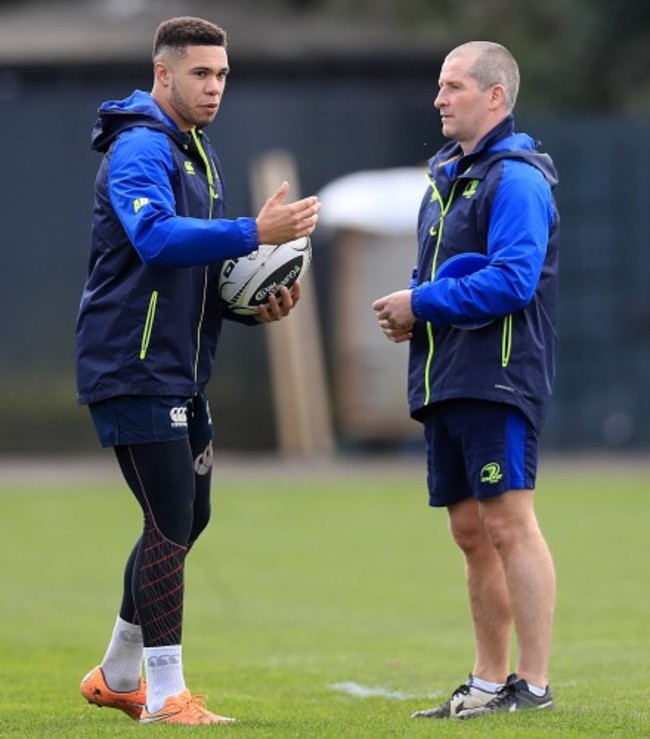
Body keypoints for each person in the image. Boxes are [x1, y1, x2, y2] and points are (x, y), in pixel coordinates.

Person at [76, 16, 320, 725]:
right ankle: (164, 694)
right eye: (200, 75)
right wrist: (255, 231)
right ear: (163, 75)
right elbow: (153, 238)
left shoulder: (196, 152)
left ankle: (118, 673)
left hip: (179, 370)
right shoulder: (141, 149)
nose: (214, 88)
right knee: (172, 517)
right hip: (133, 363)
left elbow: (197, 275)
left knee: (186, 515)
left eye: (222, 76)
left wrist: (253, 306)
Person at [372, 41, 559, 720]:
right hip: (447, 373)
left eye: (453, 86)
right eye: (440, 86)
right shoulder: (447, 177)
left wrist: (419, 304)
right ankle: (486, 682)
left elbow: (513, 279)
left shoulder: (518, 178)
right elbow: (449, 282)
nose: (438, 98)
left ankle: (531, 685)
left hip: (498, 376)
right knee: (470, 530)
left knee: (510, 522)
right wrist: (415, 317)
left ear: (495, 97)